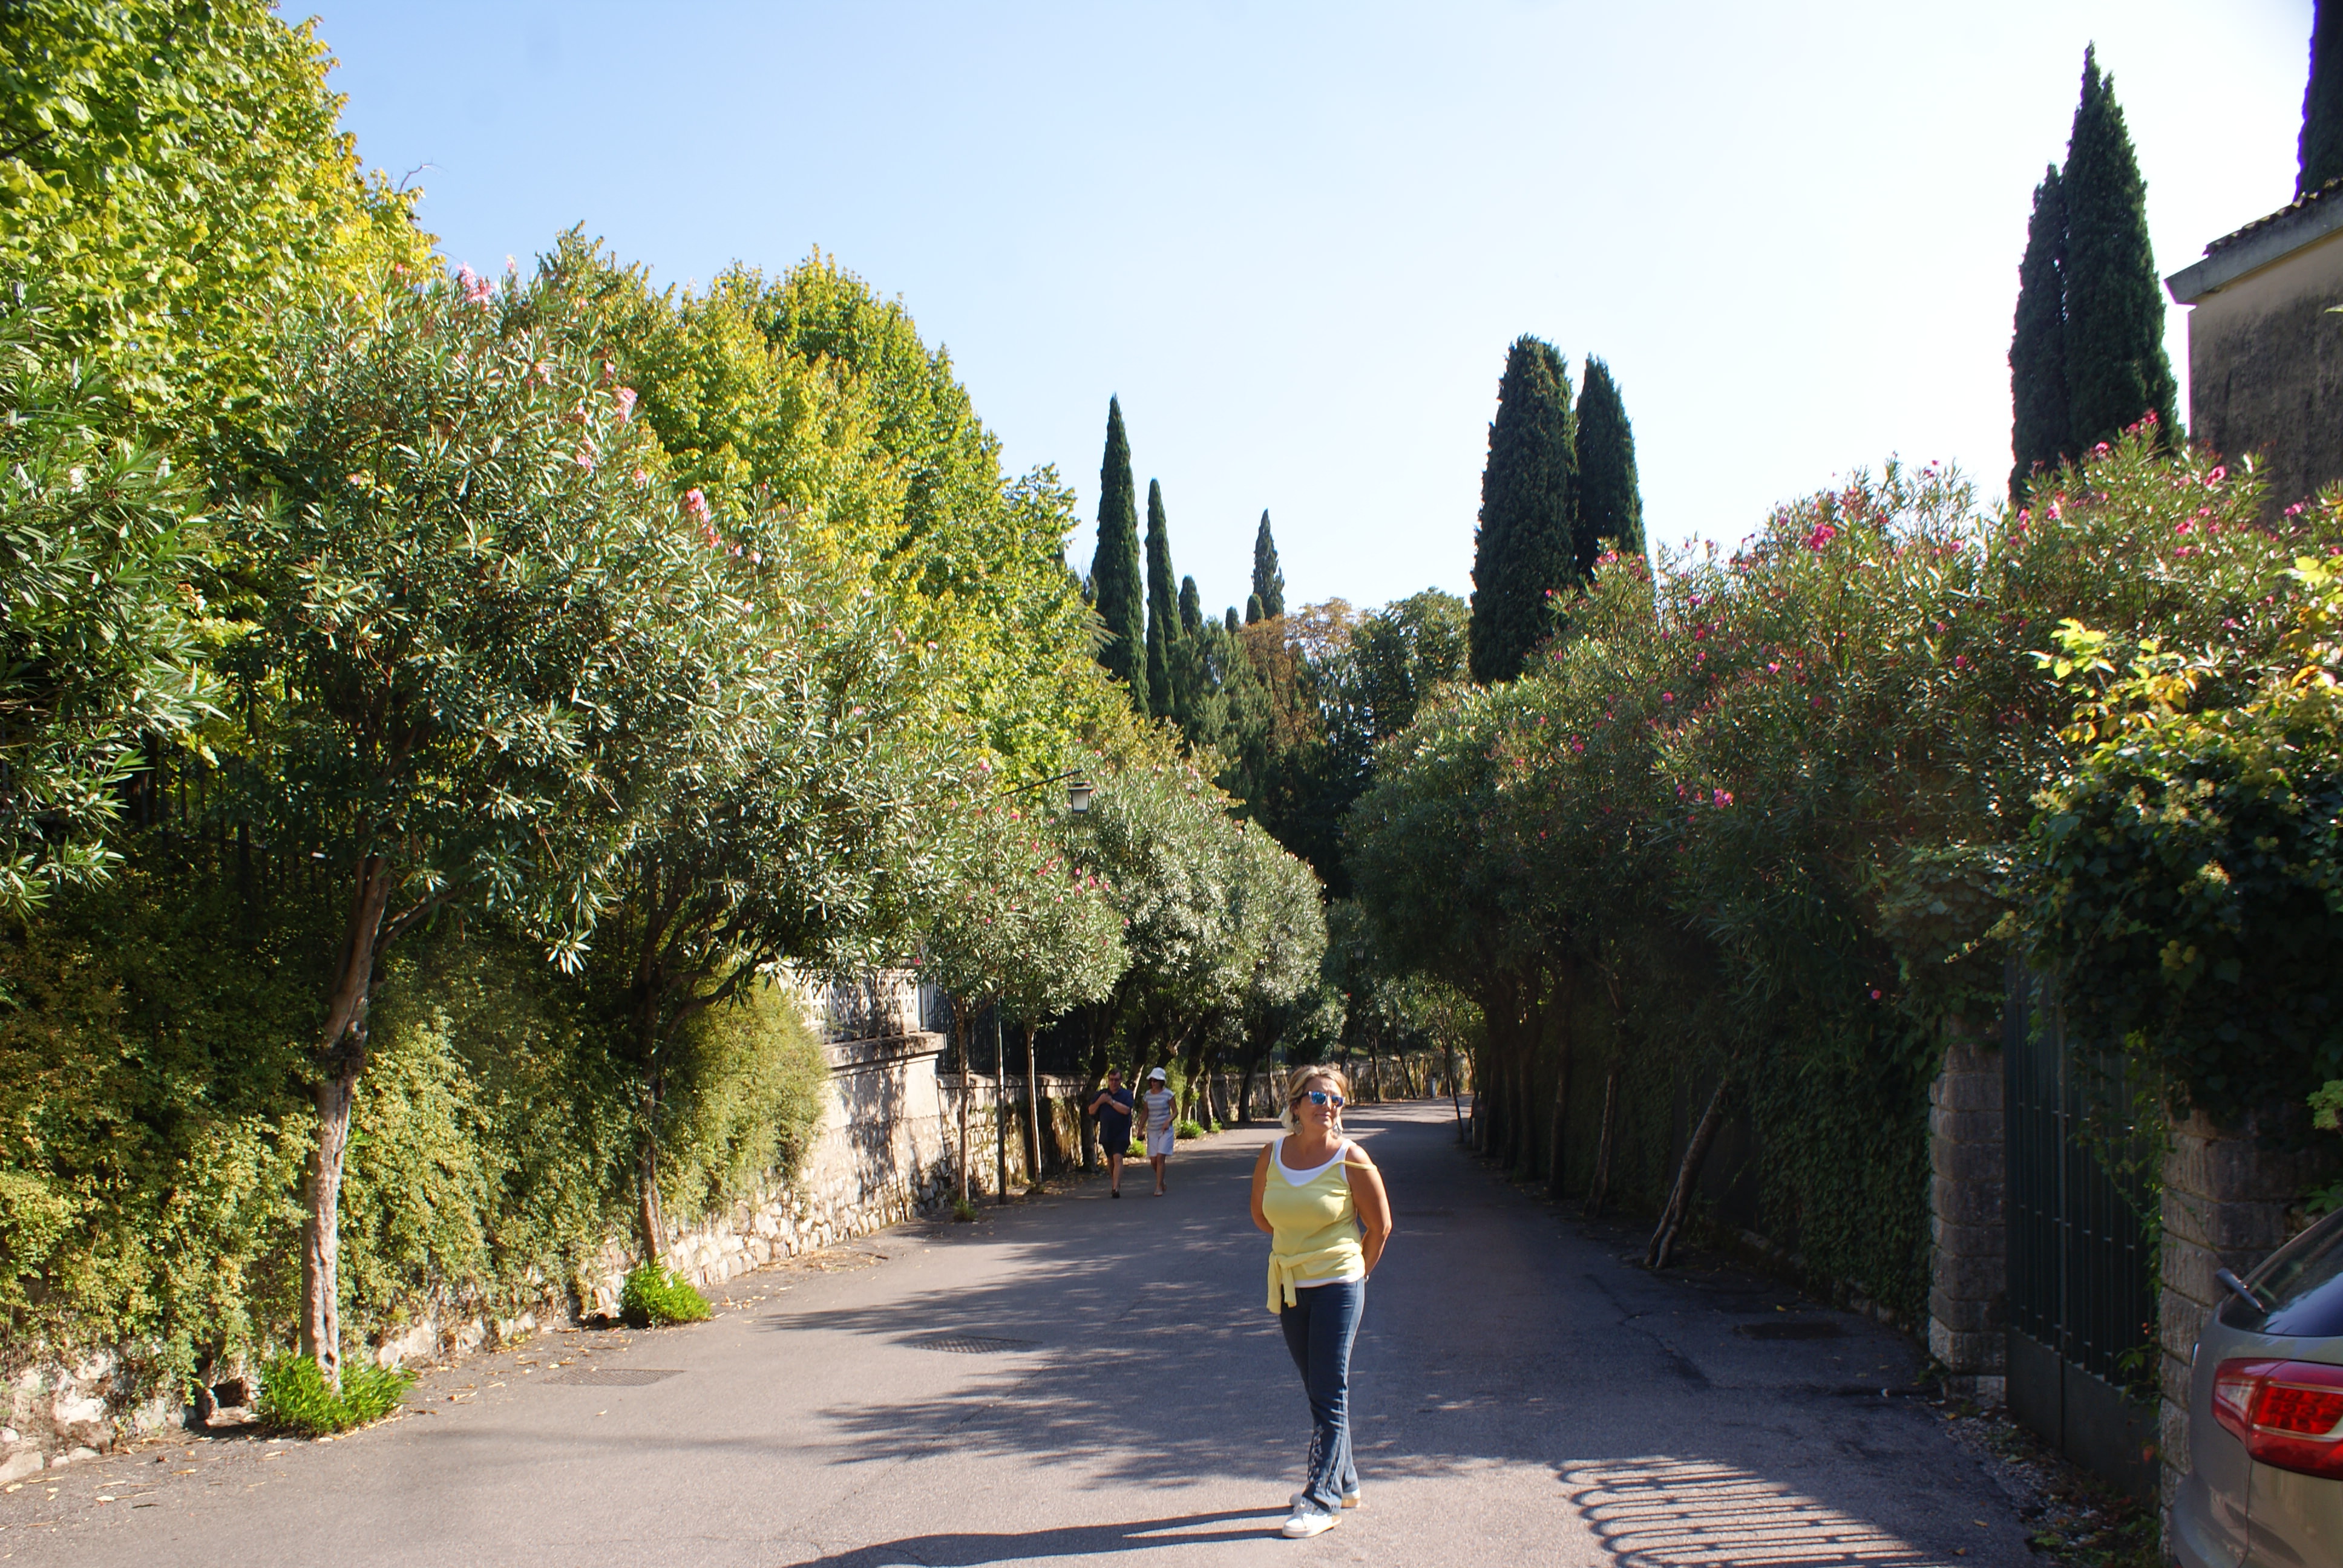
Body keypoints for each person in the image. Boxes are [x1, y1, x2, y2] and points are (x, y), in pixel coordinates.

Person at [1249, 1063, 1391, 1540]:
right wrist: (1299, 1239)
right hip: (1290, 1284)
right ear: (1294, 1105)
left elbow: (1380, 1226)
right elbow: (1262, 1217)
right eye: (1317, 1097)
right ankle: (1344, 1481)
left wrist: (1357, 1271)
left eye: (1336, 1099)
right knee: (1320, 1389)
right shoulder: (1271, 1155)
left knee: (1330, 1392)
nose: (1328, 1106)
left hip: (1338, 1283)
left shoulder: (1351, 1158)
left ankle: (1322, 1499)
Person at [1086, 1068, 1135, 1198]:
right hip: (1107, 1132)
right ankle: (1115, 1182)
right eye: (1111, 1080)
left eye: (1117, 1080)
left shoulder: (1126, 1095)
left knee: (1118, 1157)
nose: (1114, 1083)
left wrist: (1111, 1102)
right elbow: (1091, 1111)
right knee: (1110, 1160)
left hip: (1122, 1132)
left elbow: (1126, 1110)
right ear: (1108, 1080)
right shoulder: (1101, 1094)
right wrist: (1100, 1101)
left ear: (1121, 1081)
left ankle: (1115, 1188)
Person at [1138, 1066, 1178, 1195]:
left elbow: (1175, 1112)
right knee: (1154, 1160)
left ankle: (1158, 1186)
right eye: (1152, 1080)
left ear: (1161, 1081)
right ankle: (1162, 1180)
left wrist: (1168, 1121)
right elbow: (1145, 1113)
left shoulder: (1169, 1094)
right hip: (1152, 1130)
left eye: (1156, 1080)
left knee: (1160, 1157)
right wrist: (1140, 1129)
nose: (1153, 1083)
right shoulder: (1148, 1095)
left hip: (1165, 1131)